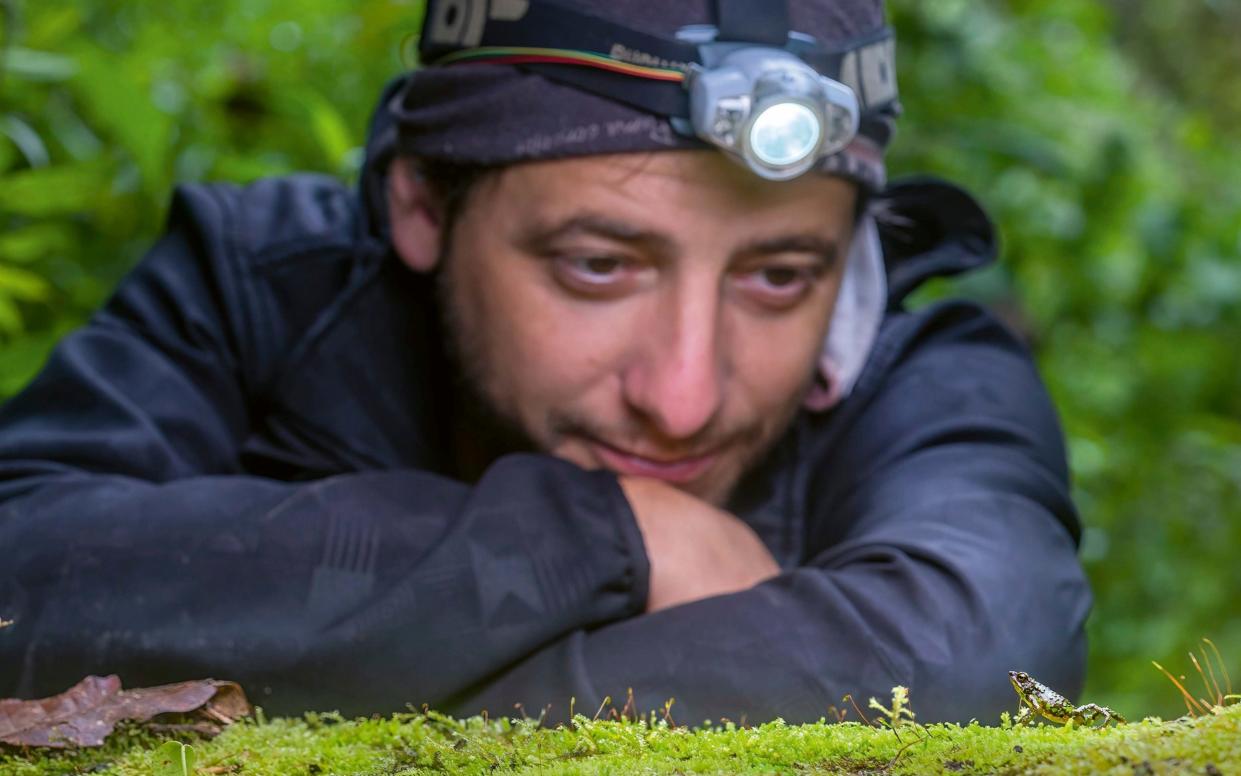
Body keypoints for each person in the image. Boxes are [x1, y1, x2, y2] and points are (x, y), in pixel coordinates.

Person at [0, 0, 1090, 724]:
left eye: (778, 277)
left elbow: (977, 659)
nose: (682, 397)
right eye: (596, 265)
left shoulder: (916, 372)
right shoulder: (270, 287)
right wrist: (606, 540)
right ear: (419, 200)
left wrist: (348, 667)